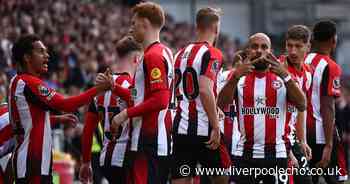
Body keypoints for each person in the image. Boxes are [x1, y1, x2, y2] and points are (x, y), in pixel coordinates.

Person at [8, 34, 112, 183]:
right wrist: (98, 89)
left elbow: (26, 121)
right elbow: (67, 104)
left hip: (27, 161)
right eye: (41, 51)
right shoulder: (29, 82)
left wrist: (56, 119)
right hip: (33, 163)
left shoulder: (15, 81)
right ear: (27, 57)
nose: (47, 55)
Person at [218, 33, 306, 184]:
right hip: (245, 153)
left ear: (270, 51)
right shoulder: (238, 77)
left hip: (276, 154)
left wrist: (286, 76)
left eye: (264, 47)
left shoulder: (283, 78)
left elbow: (302, 104)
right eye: (254, 47)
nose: (259, 51)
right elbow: (220, 104)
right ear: (248, 51)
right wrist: (235, 77)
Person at [110, 2, 174, 184]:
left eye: (134, 23)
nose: (131, 28)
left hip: (148, 140)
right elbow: (141, 96)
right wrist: (114, 87)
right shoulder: (165, 52)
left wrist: (124, 114)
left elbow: (161, 99)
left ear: (145, 23)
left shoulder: (152, 56)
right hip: (158, 139)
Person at [171, 7, 231, 184]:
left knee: (181, 179)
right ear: (216, 29)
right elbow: (204, 89)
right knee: (223, 178)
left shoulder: (179, 54)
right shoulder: (212, 53)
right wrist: (215, 125)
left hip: (181, 129)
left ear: (197, 26)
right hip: (204, 129)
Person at [79, 36, 142, 184]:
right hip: (126, 159)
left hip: (105, 161)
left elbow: (87, 131)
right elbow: (139, 99)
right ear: (136, 58)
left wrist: (86, 162)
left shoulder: (99, 88)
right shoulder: (132, 86)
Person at [304, 20, 343, 184]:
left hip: (302, 134)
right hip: (321, 135)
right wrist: (329, 144)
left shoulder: (302, 59)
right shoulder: (331, 66)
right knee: (337, 179)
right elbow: (328, 107)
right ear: (333, 40)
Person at [279, 25, 313, 184]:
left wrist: (303, 140)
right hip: (276, 139)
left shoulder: (307, 73)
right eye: (289, 45)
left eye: (298, 46)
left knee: (306, 179)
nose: (292, 51)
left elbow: (301, 109)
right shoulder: (278, 70)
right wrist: (287, 151)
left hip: (291, 137)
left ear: (308, 47)